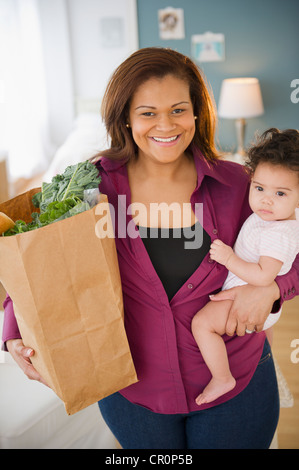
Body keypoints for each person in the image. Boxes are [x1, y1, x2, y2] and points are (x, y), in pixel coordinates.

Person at [2, 48, 299, 449]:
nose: (165, 125)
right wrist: (13, 331)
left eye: (178, 110)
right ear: (125, 116)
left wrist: (273, 289)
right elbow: (41, 261)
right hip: (131, 389)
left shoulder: (238, 184)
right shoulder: (93, 188)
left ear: (197, 113)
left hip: (237, 385)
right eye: (148, 113)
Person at [191, 128, 299, 406]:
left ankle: (222, 377)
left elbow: (264, 276)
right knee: (263, 331)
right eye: (259, 188)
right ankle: (267, 354)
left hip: (248, 294)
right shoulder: (271, 218)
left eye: (280, 193)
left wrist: (228, 259)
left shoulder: (278, 232)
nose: (266, 199)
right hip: (255, 302)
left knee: (202, 324)